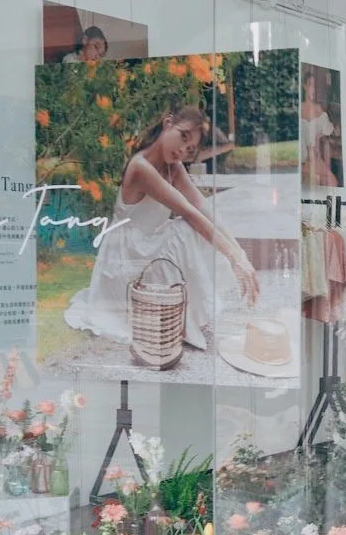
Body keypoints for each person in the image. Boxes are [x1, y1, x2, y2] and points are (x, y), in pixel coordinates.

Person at [65, 104, 259, 352]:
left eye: (189, 148)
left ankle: (178, 311)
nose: (182, 149)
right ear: (168, 124)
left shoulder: (173, 167)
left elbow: (203, 207)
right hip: (127, 255)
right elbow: (189, 212)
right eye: (183, 136)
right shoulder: (141, 167)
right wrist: (232, 257)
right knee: (184, 229)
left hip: (147, 247)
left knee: (192, 229)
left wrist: (240, 254)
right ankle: (175, 315)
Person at [301, 68, 339, 187]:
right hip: (303, 159)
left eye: (314, 86)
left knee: (332, 182)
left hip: (314, 158)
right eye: (310, 84)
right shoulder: (299, 108)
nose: (313, 89)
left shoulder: (318, 110)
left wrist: (320, 135)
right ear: (304, 86)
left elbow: (329, 130)